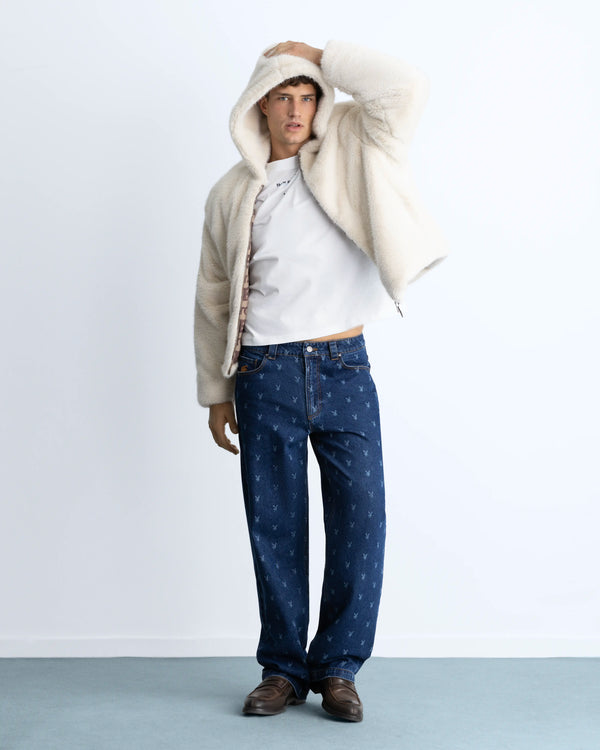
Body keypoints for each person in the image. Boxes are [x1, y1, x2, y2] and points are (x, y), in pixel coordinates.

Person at [194, 40, 447, 722]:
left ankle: (338, 668)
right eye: (284, 95)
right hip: (264, 371)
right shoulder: (232, 192)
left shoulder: (353, 150)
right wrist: (216, 391)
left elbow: (406, 85)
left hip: (344, 366)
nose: (297, 109)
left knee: (362, 519)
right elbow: (214, 292)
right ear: (260, 105)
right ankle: (282, 668)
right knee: (273, 526)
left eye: (308, 96)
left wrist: (321, 55)